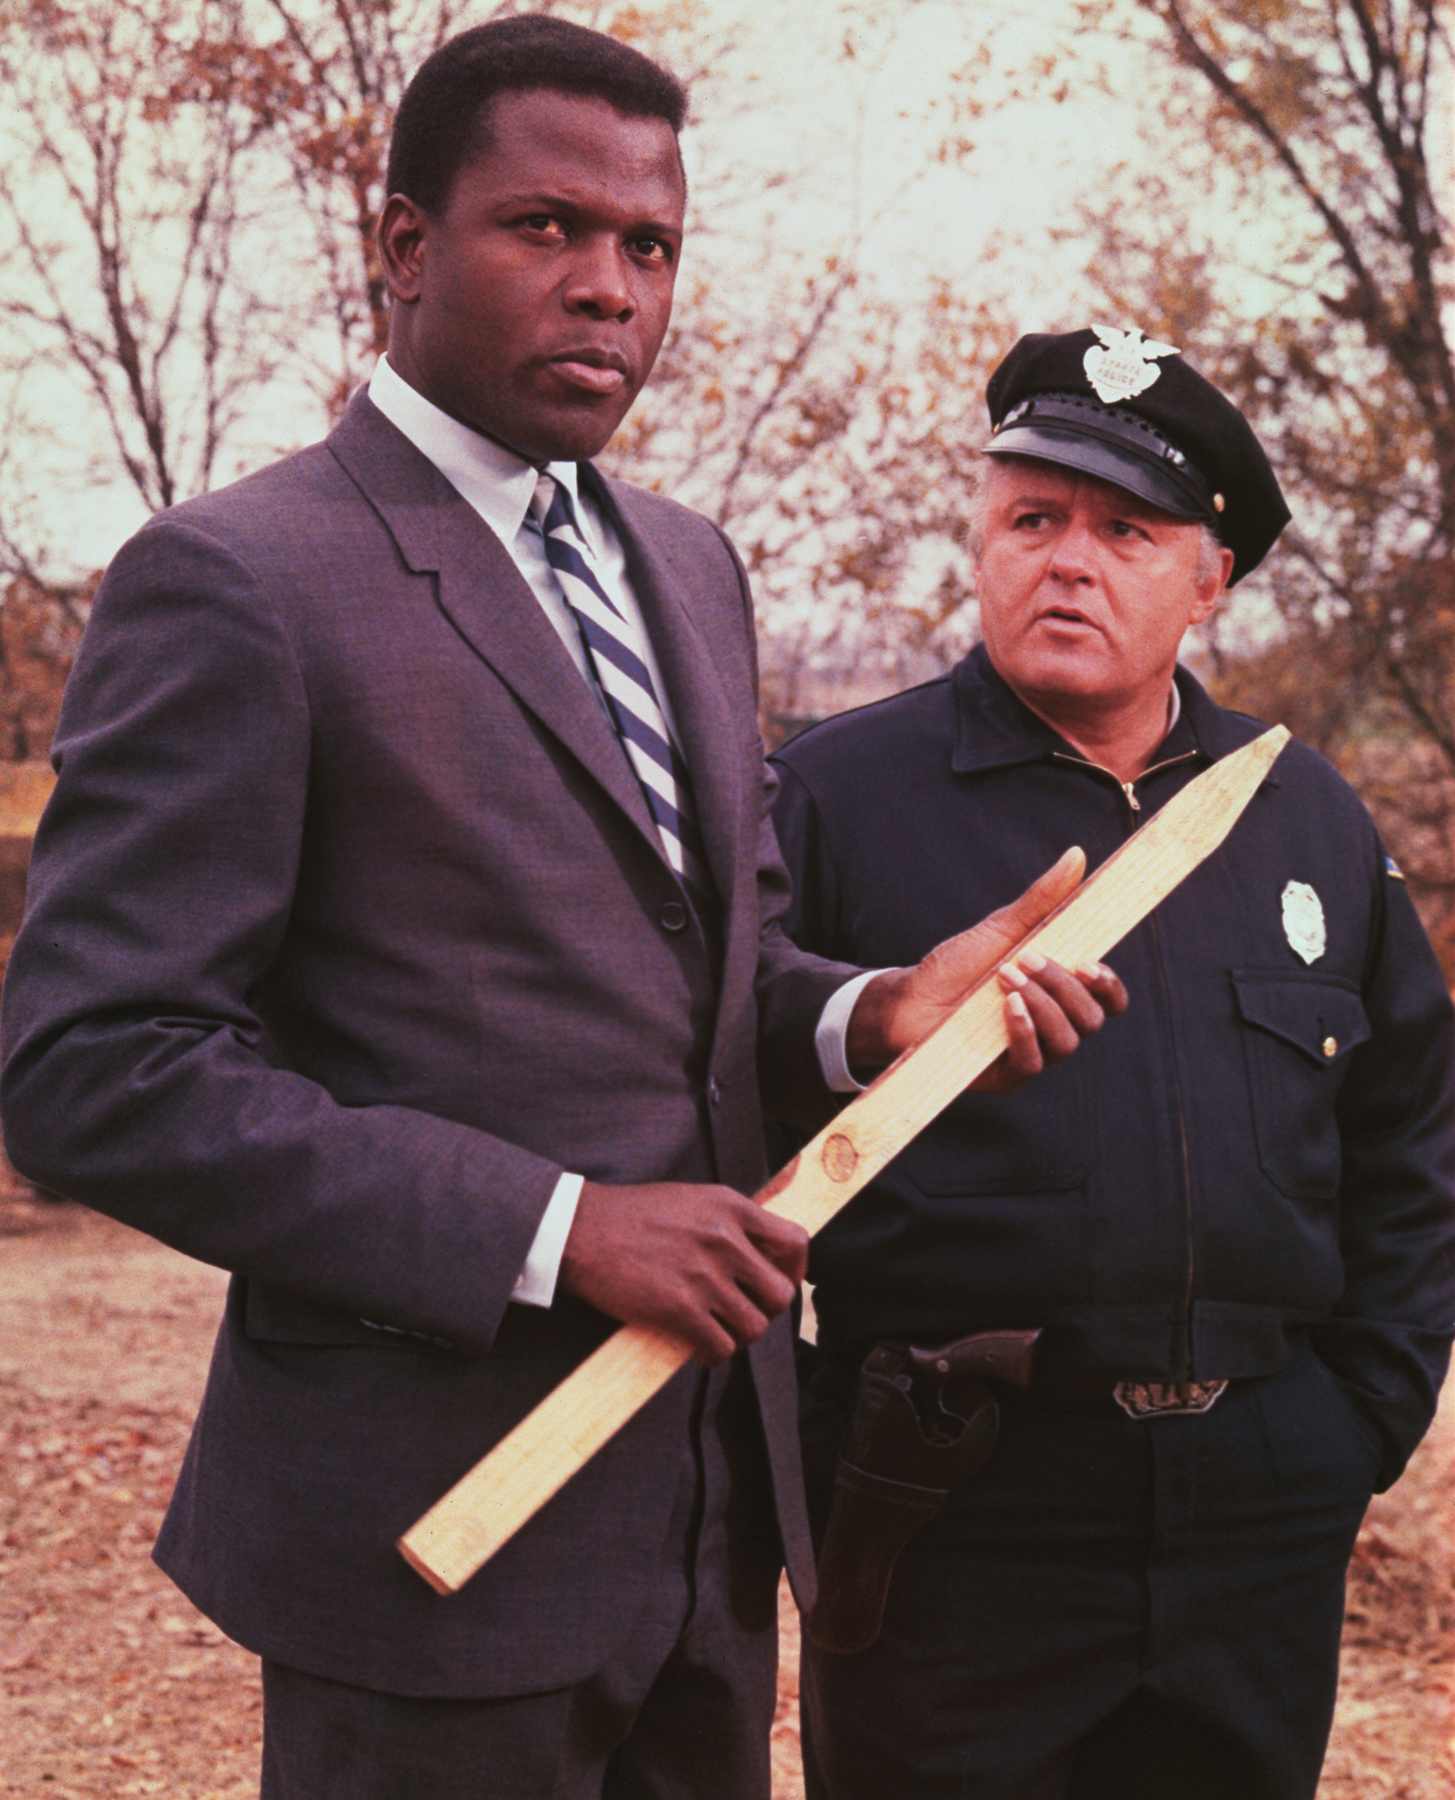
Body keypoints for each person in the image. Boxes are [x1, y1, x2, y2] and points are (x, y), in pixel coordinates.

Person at [0, 24, 1121, 1800]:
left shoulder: (686, 564)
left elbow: (714, 966)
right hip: (432, 1529)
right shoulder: (239, 580)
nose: (608, 288)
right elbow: (95, 1068)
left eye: (649, 247)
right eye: (545, 228)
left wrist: (876, 1016)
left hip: (707, 1511)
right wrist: (553, 1226)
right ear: (401, 246)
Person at [770, 326, 1455, 1800]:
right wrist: (815, 1445)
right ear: (980, 542)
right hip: (958, 1504)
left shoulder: (1302, 816)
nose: (1066, 562)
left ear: (1211, 581)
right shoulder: (836, 796)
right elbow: (720, 1109)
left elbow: (1412, 1141)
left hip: (1258, 1512)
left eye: (1125, 532)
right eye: (1033, 519)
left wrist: (1357, 1423)